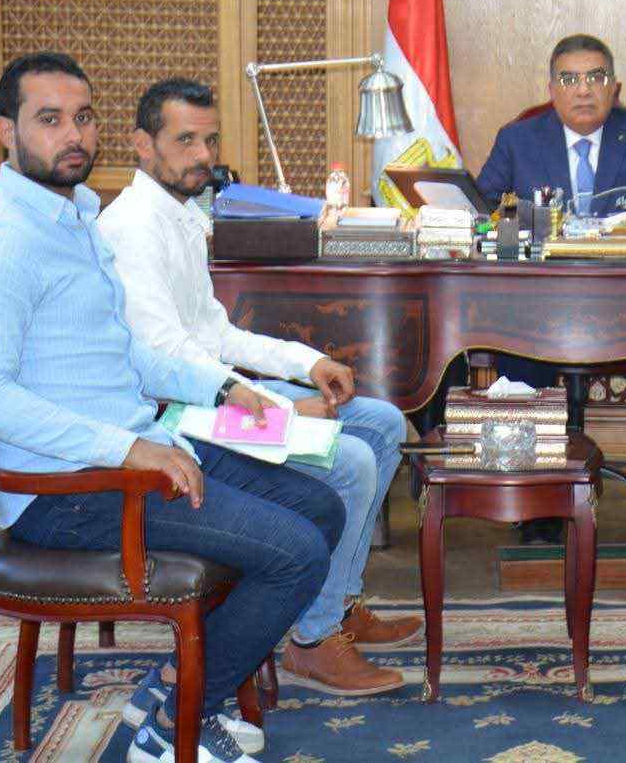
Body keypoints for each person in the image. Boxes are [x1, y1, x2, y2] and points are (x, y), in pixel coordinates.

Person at [0, 52, 343, 763]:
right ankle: (172, 727)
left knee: (320, 507)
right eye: (49, 119)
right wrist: (131, 449)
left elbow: (125, 349)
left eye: (83, 117)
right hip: (65, 491)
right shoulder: (2, 243)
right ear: (7, 132)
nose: (73, 134)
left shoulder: (73, 217)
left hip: (131, 452)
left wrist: (223, 388)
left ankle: (174, 688)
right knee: (296, 553)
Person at [99, 78, 421, 698]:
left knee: (382, 423)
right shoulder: (132, 228)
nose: (202, 156)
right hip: (174, 423)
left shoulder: (180, 216)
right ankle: (313, 641)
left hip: (209, 397)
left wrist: (309, 363)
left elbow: (215, 334)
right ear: (142, 144)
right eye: (185, 141)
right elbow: (167, 363)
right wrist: (278, 408)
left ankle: (337, 602)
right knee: (351, 460)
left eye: (209, 140)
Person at [474, 33, 626, 543]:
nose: (583, 90)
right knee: (519, 357)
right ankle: (537, 505)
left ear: (614, 87)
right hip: (539, 307)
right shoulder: (518, 139)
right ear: (551, 88)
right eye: (569, 79)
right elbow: (479, 211)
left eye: (595, 77)